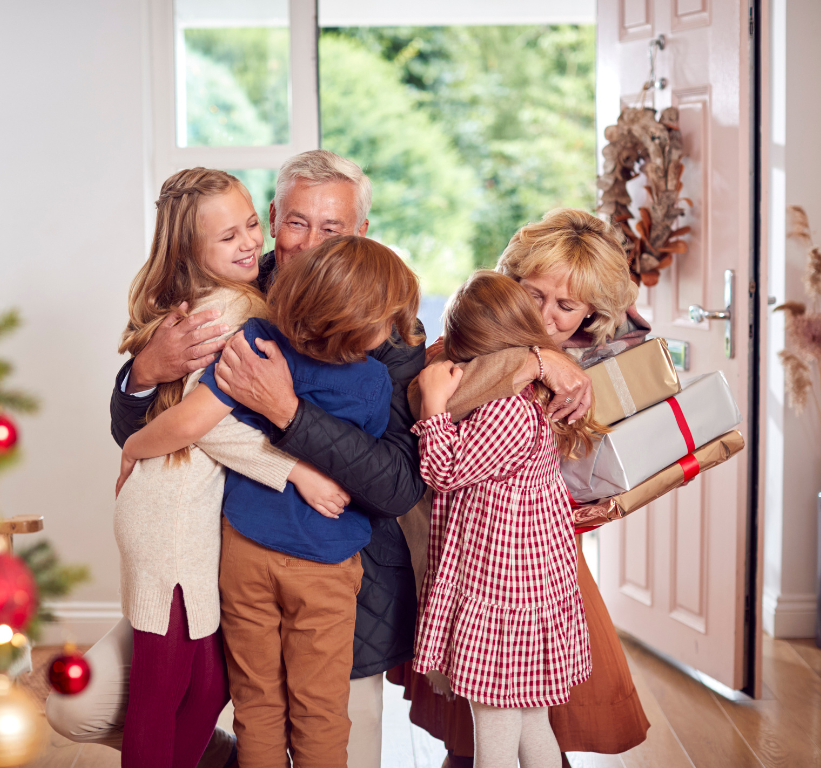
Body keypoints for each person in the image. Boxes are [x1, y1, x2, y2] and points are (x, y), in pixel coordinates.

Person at [54, 151, 594, 768]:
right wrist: (146, 373)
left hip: (339, 586)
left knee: (332, 738)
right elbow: (144, 433)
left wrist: (288, 414)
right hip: (209, 564)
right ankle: (215, 753)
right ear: (272, 220)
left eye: (332, 229)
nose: (311, 244)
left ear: (360, 232)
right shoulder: (223, 292)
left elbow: (396, 485)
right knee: (78, 706)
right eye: (296, 223)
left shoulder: (388, 329)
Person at [50, 167, 346, 768]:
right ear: (191, 248)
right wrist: (295, 471)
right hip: (170, 519)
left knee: (209, 686)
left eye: (251, 226)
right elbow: (208, 425)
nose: (248, 244)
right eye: (226, 237)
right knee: (163, 691)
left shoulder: (247, 293)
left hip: (185, 510)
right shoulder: (228, 310)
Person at [118, 235, 422, 766]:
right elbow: (370, 472)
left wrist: (136, 448)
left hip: (245, 550)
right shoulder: (373, 382)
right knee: (320, 708)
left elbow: (195, 420)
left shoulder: (256, 337)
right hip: (324, 565)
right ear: (364, 325)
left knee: (256, 703)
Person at [389, 208, 652, 766]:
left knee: (521, 704)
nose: (548, 316)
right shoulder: (481, 341)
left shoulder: (588, 364)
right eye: (533, 294)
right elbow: (431, 393)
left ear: (589, 313)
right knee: (499, 708)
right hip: (477, 551)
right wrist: (532, 357)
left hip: (521, 561)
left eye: (566, 305)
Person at [412, 270, 600, 768]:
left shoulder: (504, 412)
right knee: (530, 720)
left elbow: (444, 470)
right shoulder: (526, 399)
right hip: (521, 590)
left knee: (494, 727)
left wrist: (433, 405)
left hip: (503, 595)